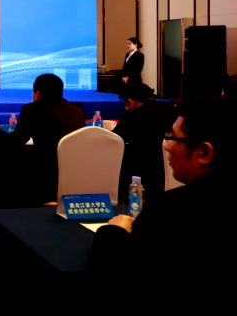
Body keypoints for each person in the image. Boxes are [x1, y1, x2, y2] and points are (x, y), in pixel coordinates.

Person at [90, 97, 234, 315]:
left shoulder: (170, 211)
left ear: (205, 153)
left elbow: (117, 280)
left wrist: (115, 232)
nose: (166, 146)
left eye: (172, 138)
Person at [10, 73, 85, 204]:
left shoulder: (32, 109)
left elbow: (16, 142)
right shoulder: (77, 111)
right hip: (77, 172)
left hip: (46, 175)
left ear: (37, 93)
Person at [113, 84, 177, 204]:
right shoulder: (173, 111)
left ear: (131, 102)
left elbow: (115, 140)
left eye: (126, 104)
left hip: (143, 173)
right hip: (171, 167)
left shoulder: (131, 116)